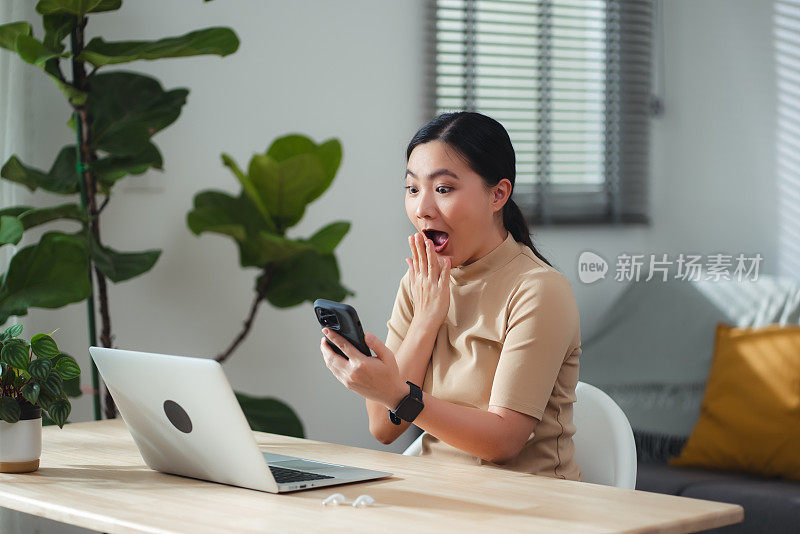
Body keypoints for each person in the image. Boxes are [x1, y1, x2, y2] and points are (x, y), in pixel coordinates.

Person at [319, 111, 583, 480]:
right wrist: (427, 318)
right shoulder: (419, 284)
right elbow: (383, 428)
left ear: (498, 194)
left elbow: (504, 442)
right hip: (434, 492)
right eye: (413, 189)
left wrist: (399, 395)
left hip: (526, 504)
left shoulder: (538, 290)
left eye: (443, 189)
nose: (422, 209)